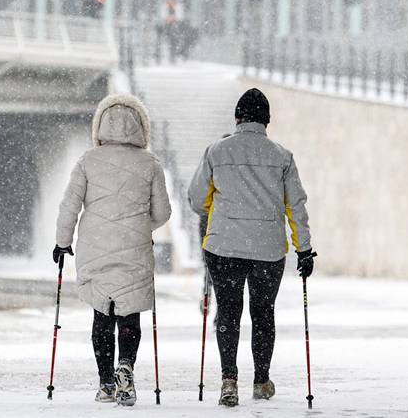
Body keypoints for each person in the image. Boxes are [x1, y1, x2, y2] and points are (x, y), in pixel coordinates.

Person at [188, 87, 317, 407]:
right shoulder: (282, 156)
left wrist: (220, 207)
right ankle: (261, 380)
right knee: (263, 313)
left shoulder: (216, 152)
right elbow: (295, 206)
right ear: (266, 121)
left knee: (228, 313)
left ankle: (228, 380)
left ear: (237, 118)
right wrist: (304, 249)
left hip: (225, 248)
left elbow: (196, 199)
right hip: (267, 251)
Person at [54, 94, 171, 406]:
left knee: (102, 315)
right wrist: (139, 226)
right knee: (129, 316)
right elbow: (163, 212)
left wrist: (62, 242)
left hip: (96, 246)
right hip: (134, 248)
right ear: (140, 126)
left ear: (100, 125)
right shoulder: (150, 164)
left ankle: (106, 382)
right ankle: (126, 368)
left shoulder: (88, 161)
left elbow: (69, 206)